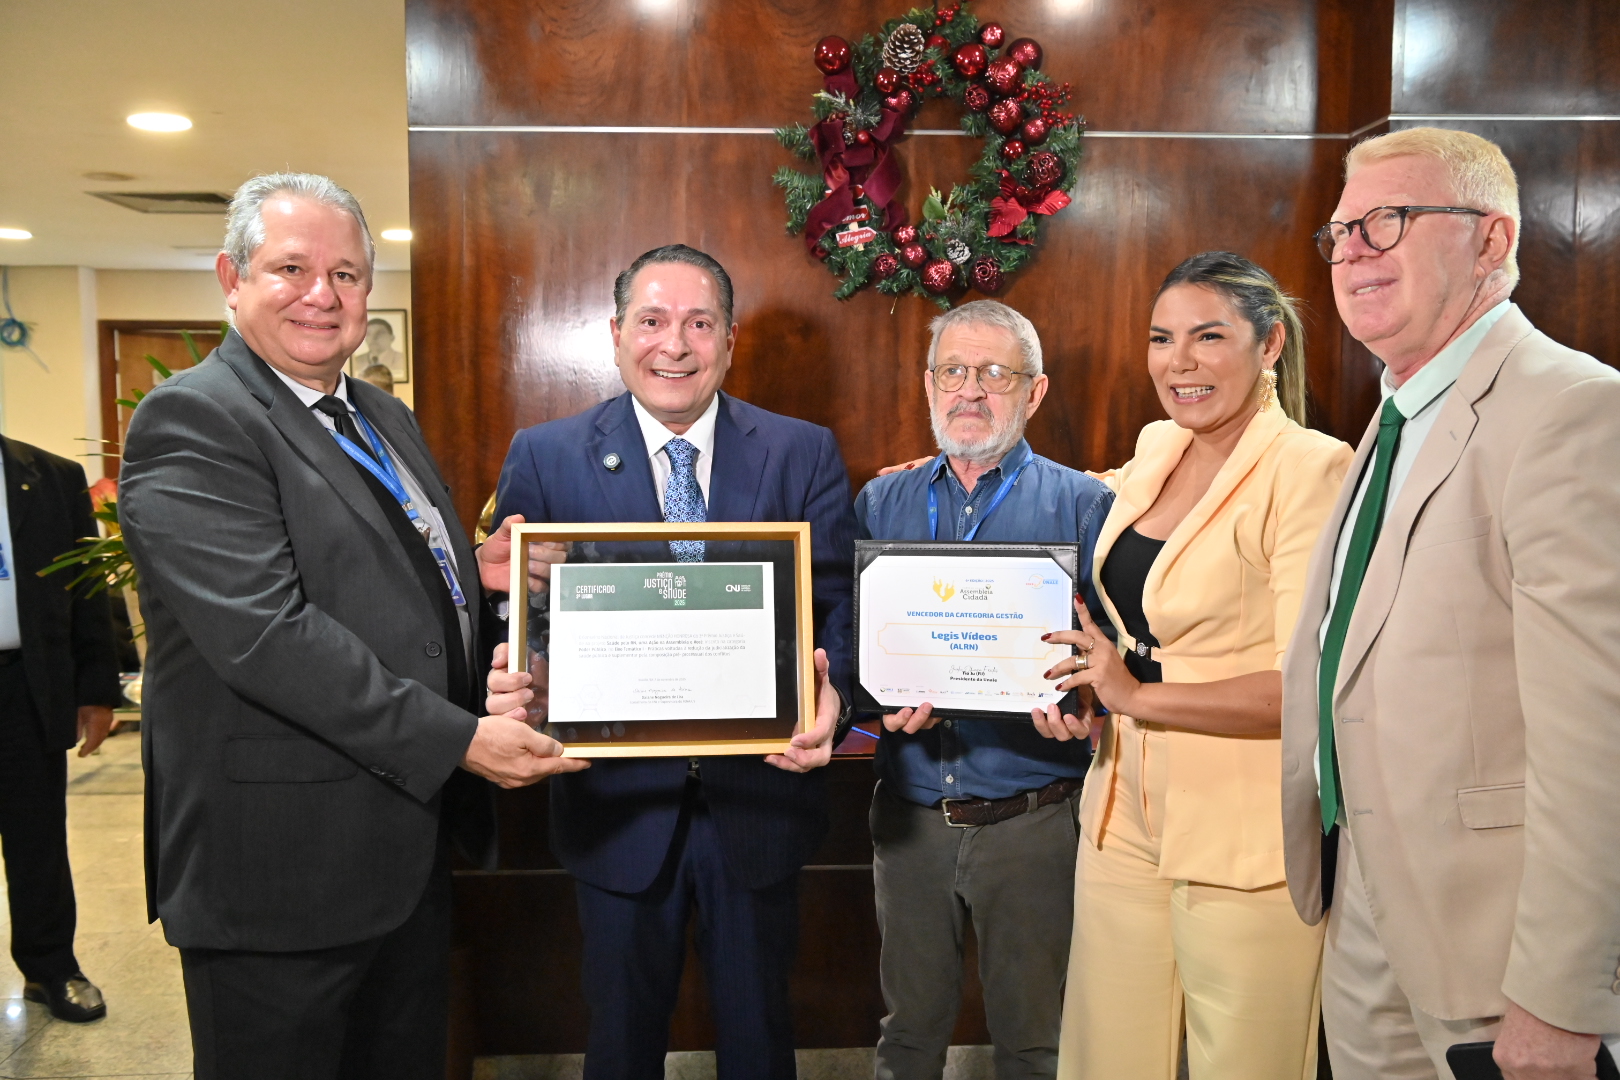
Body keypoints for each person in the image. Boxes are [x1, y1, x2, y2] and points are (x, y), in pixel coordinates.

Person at [117, 172, 583, 1080]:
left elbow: (374, 569)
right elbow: (267, 635)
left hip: (399, 854)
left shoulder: (377, 414)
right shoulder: (197, 417)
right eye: (291, 268)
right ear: (232, 278)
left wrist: (474, 571)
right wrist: (460, 740)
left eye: (347, 274)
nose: (322, 296)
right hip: (277, 872)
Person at [1279, 128, 1620, 1079]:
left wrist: (1561, 995)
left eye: (1387, 221)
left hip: (1498, 947)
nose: (1351, 251)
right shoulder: (1390, 418)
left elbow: (1599, 739)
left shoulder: (1572, 408)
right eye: (1341, 231)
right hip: (1367, 902)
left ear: (1490, 240)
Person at [481, 243, 850, 1080]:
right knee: (620, 1042)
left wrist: (837, 701)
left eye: (698, 323)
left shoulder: (800, 451)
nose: (674, 345)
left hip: (759, 806)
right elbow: (512, 614)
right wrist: (511, 679)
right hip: (614, 813)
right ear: (616, 335)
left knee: (760, 1044)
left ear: (730, 339)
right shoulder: (545, 455)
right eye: (651, 321)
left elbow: (838, 607)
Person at [1043, 252, 1353, 1078]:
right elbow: (1088, 491)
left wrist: (1133, 694)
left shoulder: (1312, 468)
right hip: (1119, 813)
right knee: (1106, 1058)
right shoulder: (1160, 444)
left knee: (1246, 1063)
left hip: (1244, 829)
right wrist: (975, 465)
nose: (1179, 362)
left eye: (1208, 336)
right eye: (1161, 338)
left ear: (1269, 344)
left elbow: (1302, 689)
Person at [851, 300, 1113, 1080]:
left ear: (1034, 392)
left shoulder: (1086, 505)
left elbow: (1113, 652)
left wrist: (1089, 708)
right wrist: (874, 705)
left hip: (1032, 821)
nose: (970, 390)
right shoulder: (881, 502)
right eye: (954, 371)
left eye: (995, 373)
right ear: (928, 384)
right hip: (910, 819)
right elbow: (850, 638)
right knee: (907, 1036)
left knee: (1035, 1042)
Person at [0, 438, 121, 1023]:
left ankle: (50, 967)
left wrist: (97, 691)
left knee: (37, 836)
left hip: (25, 681)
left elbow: (89, 590)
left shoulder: (52, 477)